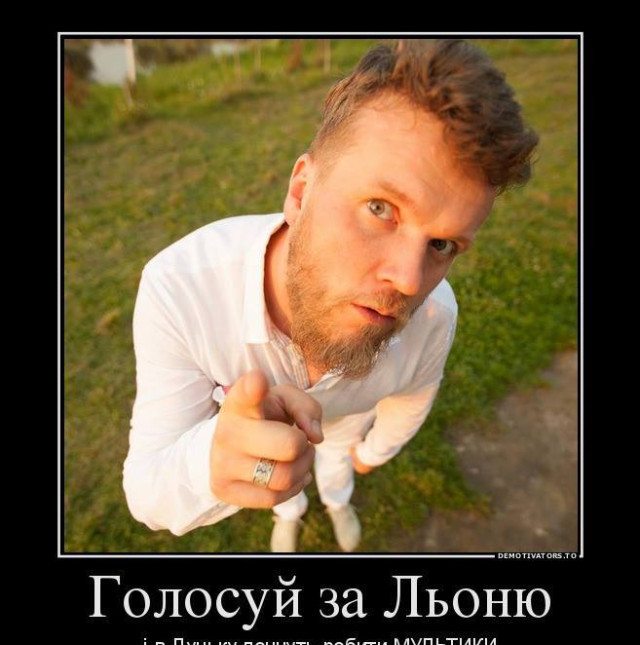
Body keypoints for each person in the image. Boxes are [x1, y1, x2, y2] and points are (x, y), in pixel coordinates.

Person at [123, 39, 539, 552]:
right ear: (302, 192)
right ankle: (289, 511)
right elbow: (147, 489)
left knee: (337, 459)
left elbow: (414, 395)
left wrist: (374, 453)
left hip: (349, 426)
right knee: (278, 473)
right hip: (261, 443)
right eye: (381, 209)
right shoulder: (182, 288)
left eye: (442, 245)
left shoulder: (434, 316)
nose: (409, 281)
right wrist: (213, 458)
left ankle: (339, 501)